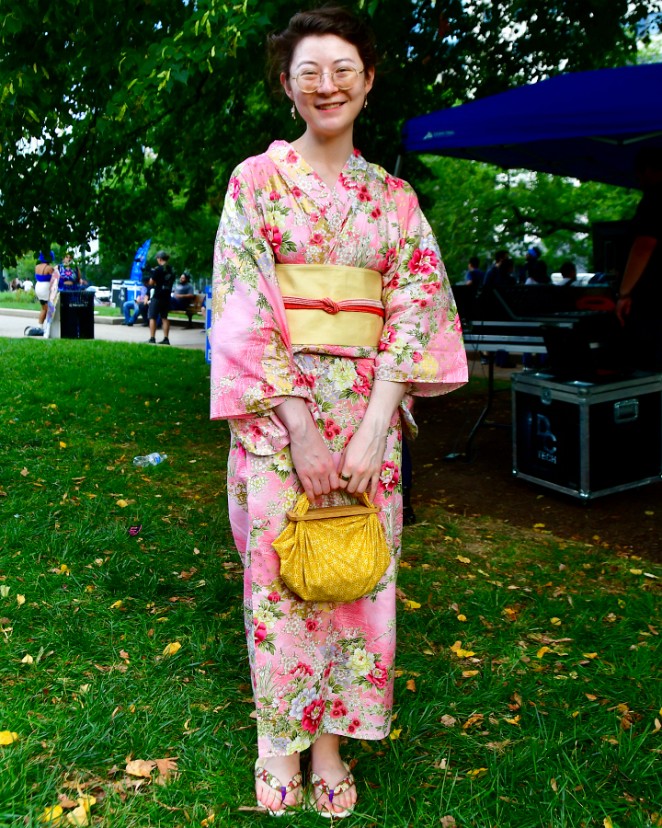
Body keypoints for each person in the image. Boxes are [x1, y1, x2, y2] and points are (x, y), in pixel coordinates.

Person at [209, 7, 468, 818]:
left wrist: (369, 425)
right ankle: (277, 742)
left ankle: (332, 744)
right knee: (282, 579)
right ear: (288, 87)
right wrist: (303, 428)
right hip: (278, 414)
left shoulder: (394, 200)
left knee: (354, 578)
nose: (328, 85)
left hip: (369, 418)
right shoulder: (257, 181)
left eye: (343, 70)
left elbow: (417, 307)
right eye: (310, 72)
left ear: (367, 81)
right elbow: (244, 306)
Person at [616, 148, 662, 372]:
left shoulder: (655, 198)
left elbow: (644, 245)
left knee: (649, 370)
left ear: (649, 171)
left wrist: (624, 293)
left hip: (652, 305)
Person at [144, 250, 175, 344]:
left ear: (160, 259)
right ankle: (166, 339)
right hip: (167, 296)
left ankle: (152, 338)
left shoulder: (158, 270)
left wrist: (151, 276)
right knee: (164, 317)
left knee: (152, 317)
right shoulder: (172, 270)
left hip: (157, 296)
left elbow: (151, 283)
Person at [34, 252, 56, 328]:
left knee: (43, 307)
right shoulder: (49, 268)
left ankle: (39, 325)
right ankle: (49, 327)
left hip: (38, 286)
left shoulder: (37, 267)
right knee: (50, 308)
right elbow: (55, 278)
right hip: (45, 288)